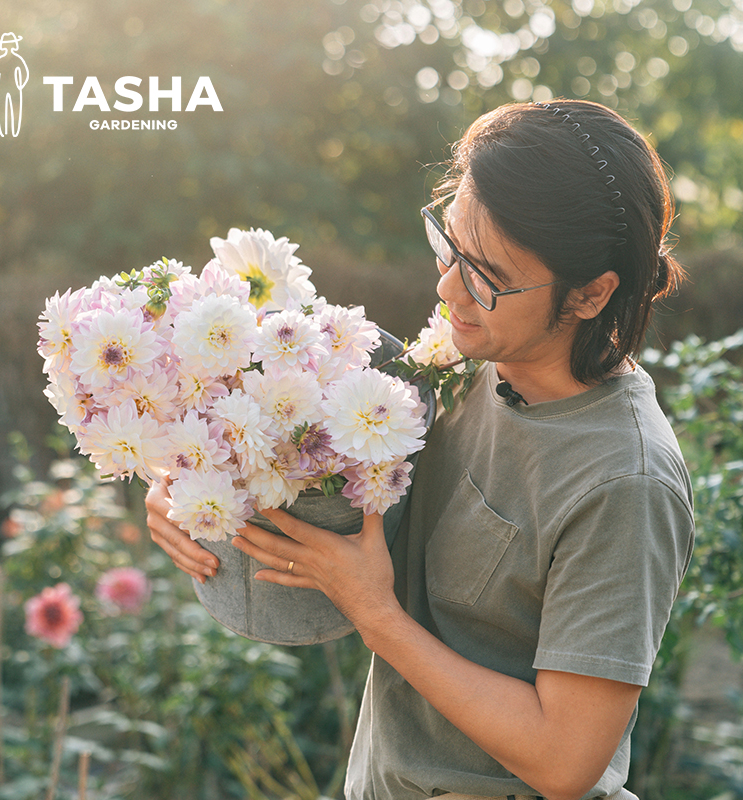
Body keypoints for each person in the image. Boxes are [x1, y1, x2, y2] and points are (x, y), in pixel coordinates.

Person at [145, 99, 694, 800]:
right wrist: (192, 488)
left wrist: (378, 615)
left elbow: (565, 762)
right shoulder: (462, 368)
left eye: (487, 276)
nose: (446, 288)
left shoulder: (625, 481)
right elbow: (329, 514)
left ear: (590, 294)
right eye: (450, 246)